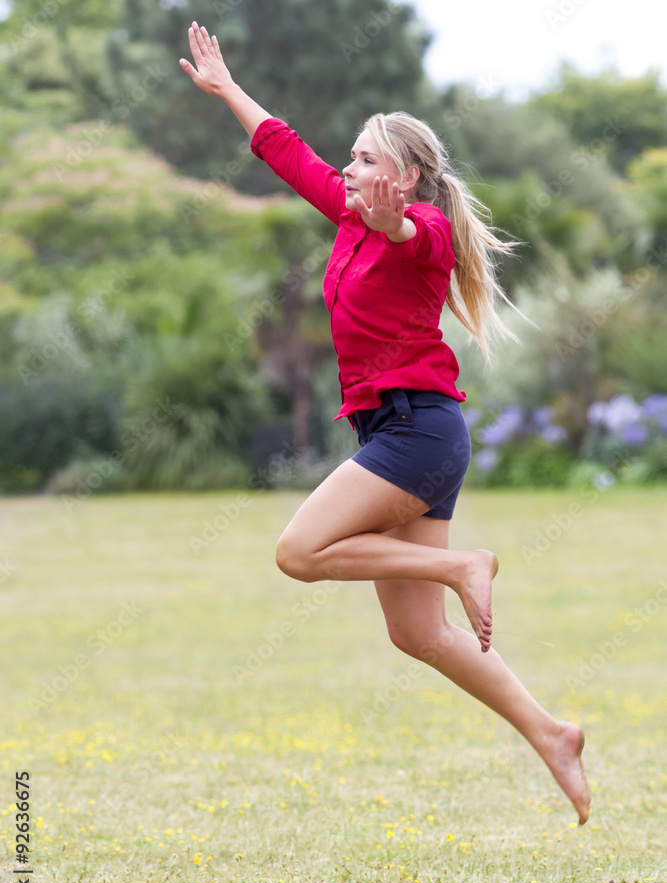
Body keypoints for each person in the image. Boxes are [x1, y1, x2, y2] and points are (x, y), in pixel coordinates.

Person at [179, 21, 591, 825]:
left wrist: (394, 218)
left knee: (298, 552)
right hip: (400, 435)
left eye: (364, 158)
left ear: (403, 176)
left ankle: (464, 563)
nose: (347, 167)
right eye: (352, 158)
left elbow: (407, 231)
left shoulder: (422, 234)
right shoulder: (345, 213)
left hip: (418, 432)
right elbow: (285, 148)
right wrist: (227, 87)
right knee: (417, 634)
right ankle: (551, 733)